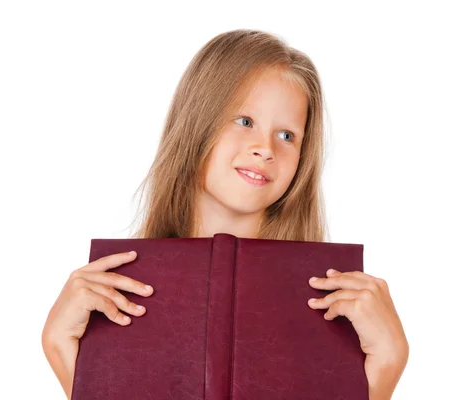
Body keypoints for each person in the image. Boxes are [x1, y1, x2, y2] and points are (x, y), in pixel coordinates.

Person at [41, 28, 409, 399]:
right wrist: (63, 353)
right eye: (245, 121)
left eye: (287, 136)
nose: (265, 149)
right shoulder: (116, 290)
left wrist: (385, 368)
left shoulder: (335, 301)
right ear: (197, 122)